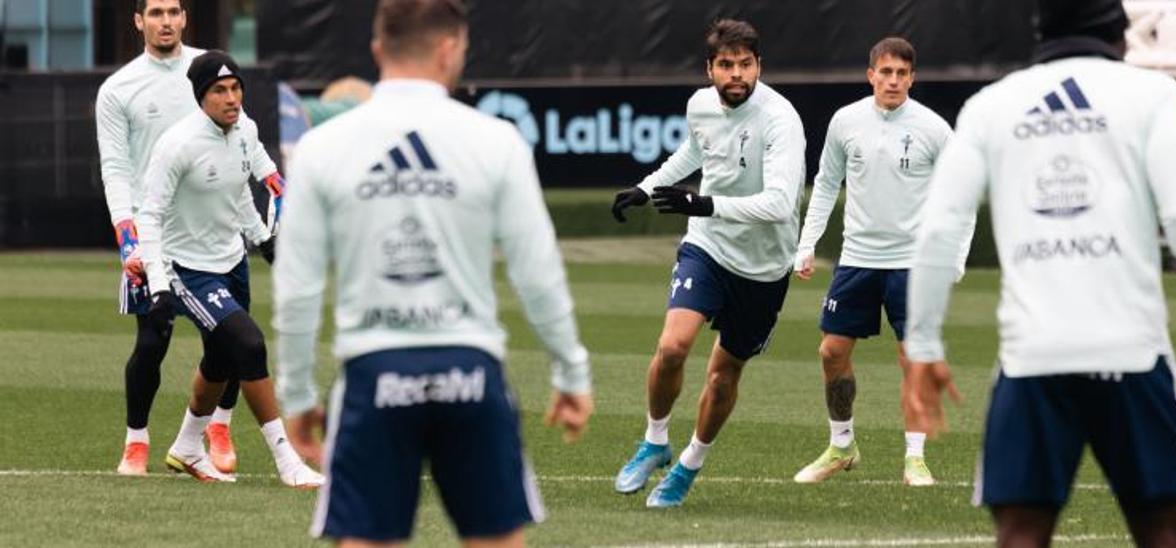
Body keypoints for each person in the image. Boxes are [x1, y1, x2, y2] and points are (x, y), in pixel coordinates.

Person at [903, 1, 1176, 546]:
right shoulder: (1154, 96)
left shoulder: (991, 106)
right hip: (1135, 356)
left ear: (1038, 30)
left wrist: (924, 345)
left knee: (1021, 536)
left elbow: (939, 227)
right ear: (1122, 35)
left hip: (1033, 361)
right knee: (1163, 534)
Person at [271, 0, 594, 545]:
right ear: (449, 49)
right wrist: (570, 373)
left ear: (378, 49)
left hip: (374, 374)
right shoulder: (496, 140)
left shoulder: (321, 148)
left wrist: (299, 395)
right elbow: (536, 271)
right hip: (470, 370)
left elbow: (298, 286)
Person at [610, 18, 806, 508]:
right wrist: (647, 186)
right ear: (710, 69)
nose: (736, 74)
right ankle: (655, 441)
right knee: (672, 346)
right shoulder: (700, 105)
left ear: (759, 65)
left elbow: (780, 204)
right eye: (726, 65)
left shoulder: (782, 119)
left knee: (724, 374)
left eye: (745, 64)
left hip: (763, 268)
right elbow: (694, 152)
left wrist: (705, 203)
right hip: (709, 246)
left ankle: (689, 465)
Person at [96, 0, 273, 476]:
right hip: (157, 238)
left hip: (215, 231)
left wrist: (262, 202)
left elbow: (240, 144)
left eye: (173, 11)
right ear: (139, 21)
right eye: (155, 12)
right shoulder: (118, 89)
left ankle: (219, 427)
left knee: (233, 338)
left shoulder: (209, 70)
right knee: (152, 341)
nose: (166, 21)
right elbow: (115, 169)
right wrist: (128, 239)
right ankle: (137, 440)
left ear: (185, 17)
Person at [135, 50, 324, 489]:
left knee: (220, 359)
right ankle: (288, 461)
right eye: (220, 90)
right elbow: (149, 216)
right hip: (188, 269)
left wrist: (262, 238)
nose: (231, 98)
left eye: (236, 87)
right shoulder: (176, 144)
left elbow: (243, 187)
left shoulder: (246, 130)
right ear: (201, 96)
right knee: (249, 345)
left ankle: (186, 447)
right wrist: (160, 287)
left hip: (232, 261)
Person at [790, 37, 971, 487]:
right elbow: (827, 183)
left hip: (914, 263)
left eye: (901, 74)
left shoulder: (933, 128)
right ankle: (842, 445)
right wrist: (806, 242)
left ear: (912, 77)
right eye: (885, 72)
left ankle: (914, 458)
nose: (893, 81)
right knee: (832, 352)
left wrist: (957, 257)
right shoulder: (845, 121)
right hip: (856, 259)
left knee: (912, 358)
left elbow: (960, 197)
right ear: (871, 74)